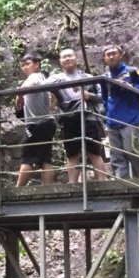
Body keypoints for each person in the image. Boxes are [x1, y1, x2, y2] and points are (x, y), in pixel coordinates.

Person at [48, 48, 109, 183]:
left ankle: (102, 182)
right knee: (72, 155)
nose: (67, 59)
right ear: (60, 61)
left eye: (70, 56)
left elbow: (103, 97)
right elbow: (41, 89)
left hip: (89, 118)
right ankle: (72, 185)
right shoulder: (55, 80)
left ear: (76, 58)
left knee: (95, 153)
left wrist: (90, 96)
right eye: (64, 57)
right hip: (68, 119)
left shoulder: (88, 78)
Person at [102, 44, 139, 184]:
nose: (111, 56)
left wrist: (132, 87)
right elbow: (104, 97)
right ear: (104, 59)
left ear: (121, 55)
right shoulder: (104, 77)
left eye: (114, 53)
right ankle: (122, 182)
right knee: (116, 154)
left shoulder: (133, 71)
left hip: (131, 117)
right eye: (108, 54)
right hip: (112, 119)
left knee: (131, 150)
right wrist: (106, 111)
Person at [15, 53, 57, 186]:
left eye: (27, 64)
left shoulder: (35, 77)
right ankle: (47, 188)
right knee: (46, 158)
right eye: (23, 65)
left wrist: (19, 95)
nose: (24, 67)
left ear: (37, 65)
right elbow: (53, 97)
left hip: (37, 124)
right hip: (47, 122)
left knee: (27, 157)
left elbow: (28, 86)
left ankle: (17, 190)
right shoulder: (43, 78)